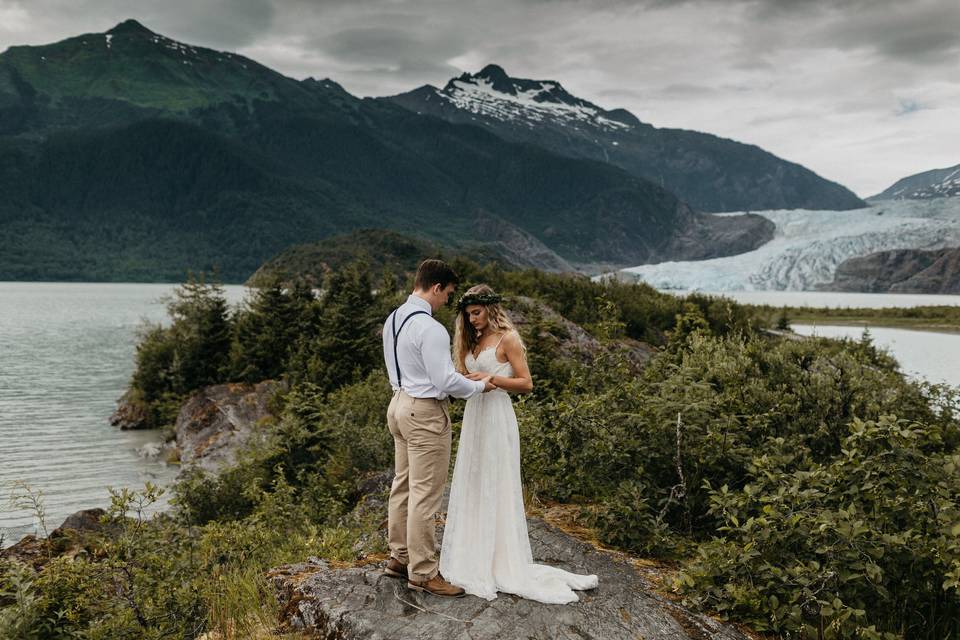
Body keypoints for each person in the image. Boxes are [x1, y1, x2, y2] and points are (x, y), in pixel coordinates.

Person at [440, 284, 599, 603]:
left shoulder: (507, 338)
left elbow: (526, 383)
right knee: (473, 481)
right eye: (468, 315)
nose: (471, 320)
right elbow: (461, 378)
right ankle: (473, 555)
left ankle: (501, 559)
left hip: (497, 413)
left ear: (490, 308)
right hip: (475, 415)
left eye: (476, 312)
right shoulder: (469, 340)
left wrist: (491, 379)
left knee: (496, 482)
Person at [381, 260, 497, 598]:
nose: (448, 300)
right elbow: (444, 381)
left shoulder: (394, 319)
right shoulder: (430, 328)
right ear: (435, 288)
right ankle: (424, 572)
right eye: (447, 293)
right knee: (425, 495)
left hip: (399, 403)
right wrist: (480, 387)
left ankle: (399, 558)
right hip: (424, 413)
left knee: (402, 485)